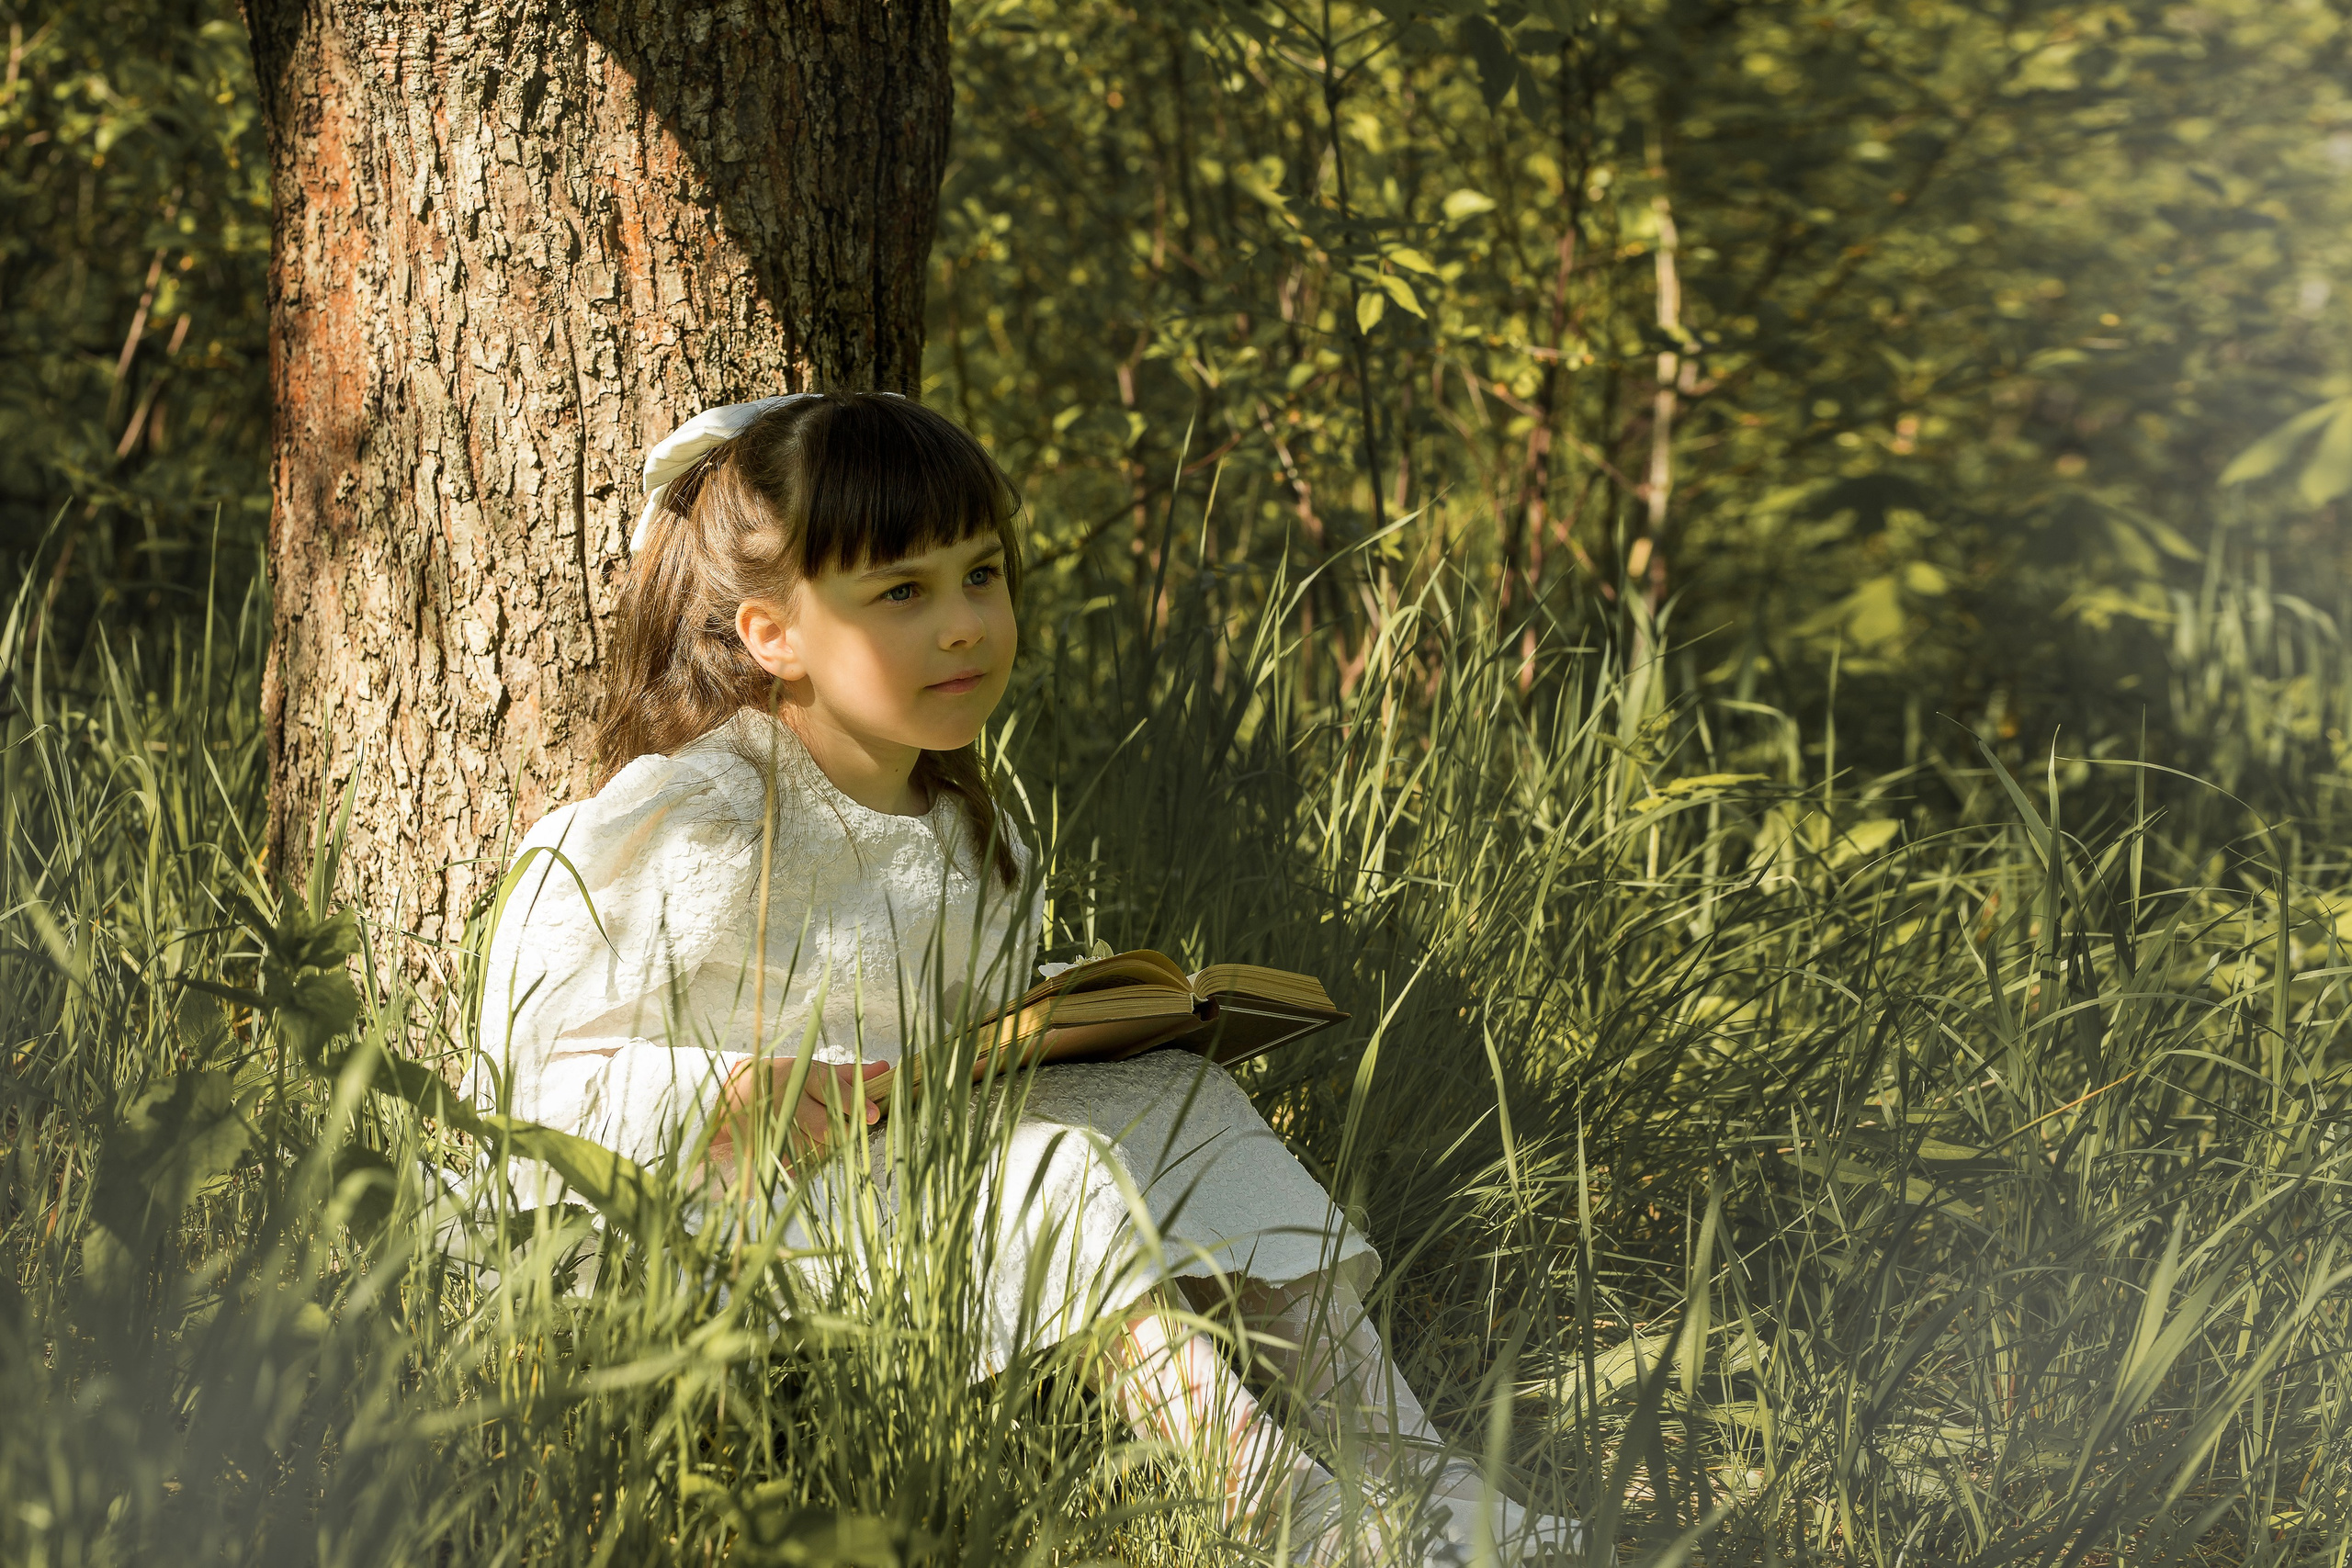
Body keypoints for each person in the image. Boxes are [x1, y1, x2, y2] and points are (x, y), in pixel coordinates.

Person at [473, 391, 1577, 1564]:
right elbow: (531, 1069)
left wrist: (1086, 1016)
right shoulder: (695, 814)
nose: (965, 626)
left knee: (1186, 1103)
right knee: (1048, 1164)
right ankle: (1283, 1517)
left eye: (982, 575)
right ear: (771, 635)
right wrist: (735, 1086)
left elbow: (944, 1004)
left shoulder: (951, 815)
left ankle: (1421, 1481)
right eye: (902, 592)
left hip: (899, 1163)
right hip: (723, 1209)